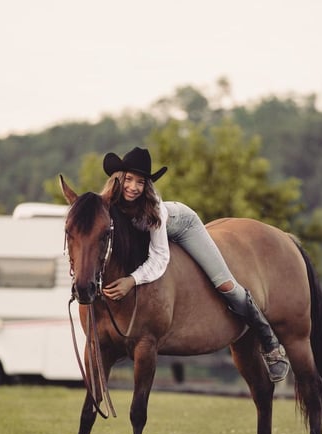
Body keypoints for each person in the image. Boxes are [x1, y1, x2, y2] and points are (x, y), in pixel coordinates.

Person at [99, 146, 289, 383]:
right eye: (129, 179)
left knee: (225, 284)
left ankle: (270, 345)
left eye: (140, 182)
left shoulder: (153, 208)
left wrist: (132, 280)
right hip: (158, 232)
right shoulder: (108, 205)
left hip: (184, 226)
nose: (133, 187)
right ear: (118, 178)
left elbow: (159, 257)